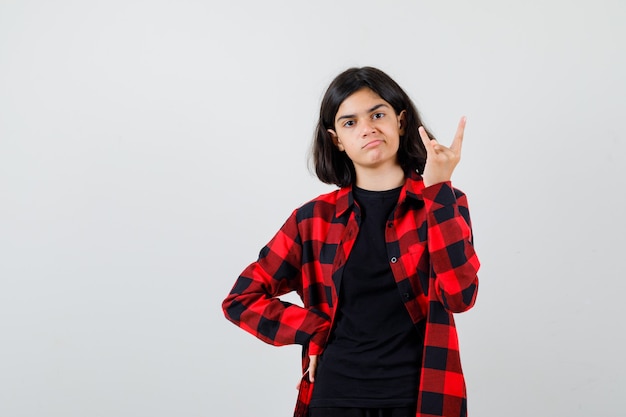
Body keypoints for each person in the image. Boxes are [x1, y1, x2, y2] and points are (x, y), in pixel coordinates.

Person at [222, 66, 480, 417]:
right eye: (349, 122)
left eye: (378, 114)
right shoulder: (312, 220)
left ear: (400, 122)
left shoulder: (443, 202)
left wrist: (437, 190)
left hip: (421, 397)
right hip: (335, 397)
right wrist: (310, 329)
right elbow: (241, 299)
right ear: (336, 140)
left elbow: (459, 296)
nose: (367, 128)